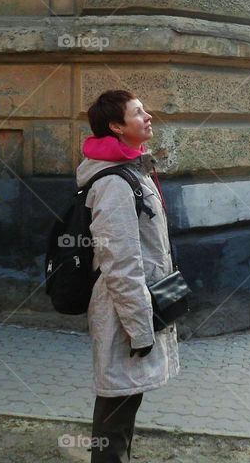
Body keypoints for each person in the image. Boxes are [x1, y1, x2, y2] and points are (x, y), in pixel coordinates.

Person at [77, 89, 180, 463]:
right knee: (117, 405)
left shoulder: (134, 171)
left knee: (125, 399)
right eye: (138, 112)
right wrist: (140, 328)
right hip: (123, 308)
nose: (148, 116)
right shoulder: (114, 183)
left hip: (137, 302)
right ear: (117, 127)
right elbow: (119, 264)